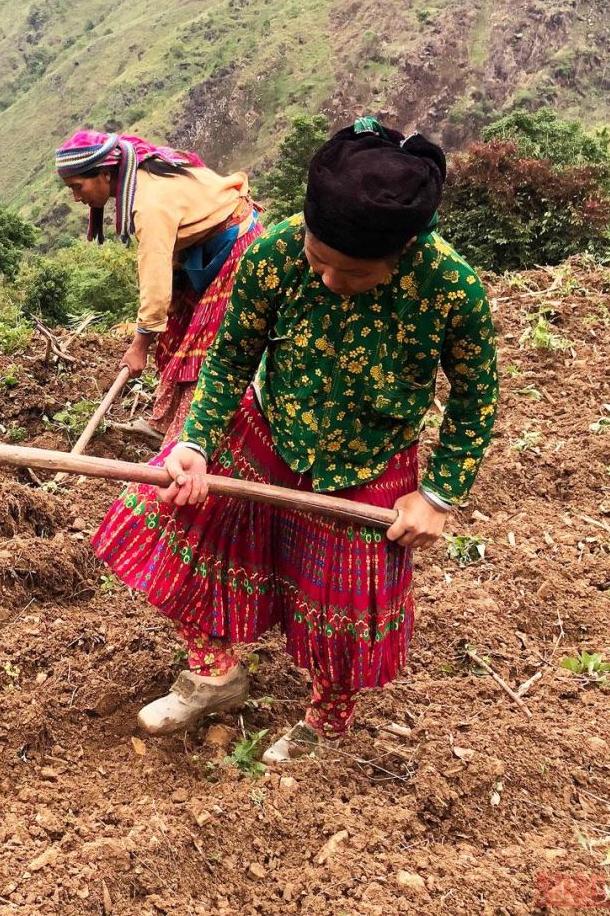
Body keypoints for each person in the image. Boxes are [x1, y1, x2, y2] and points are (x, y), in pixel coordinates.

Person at [93, 116, 498, 759]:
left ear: (402, 254)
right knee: (182, 523)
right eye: (319, 260)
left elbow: (476, 402)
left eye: (355, 274)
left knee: (343, 610)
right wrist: (196, 443)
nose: (329, 280)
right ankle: (212, 673)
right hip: (266, 426)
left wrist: (438, 496)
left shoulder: (451, 289)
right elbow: (229, 358)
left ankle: (327, 719)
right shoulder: (275, 252)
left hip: (369, 461)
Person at [55, 130, 258, 443]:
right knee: (174, 334)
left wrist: (139, 346)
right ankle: (163, 423)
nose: (76, 198)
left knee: (199, 352)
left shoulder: (149, 203)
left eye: (78, 187)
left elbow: (154, 277)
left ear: (105, 175)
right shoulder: (141, 176)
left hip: (236, 249)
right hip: (199, 249)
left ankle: (187, 440)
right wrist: (149, 336)